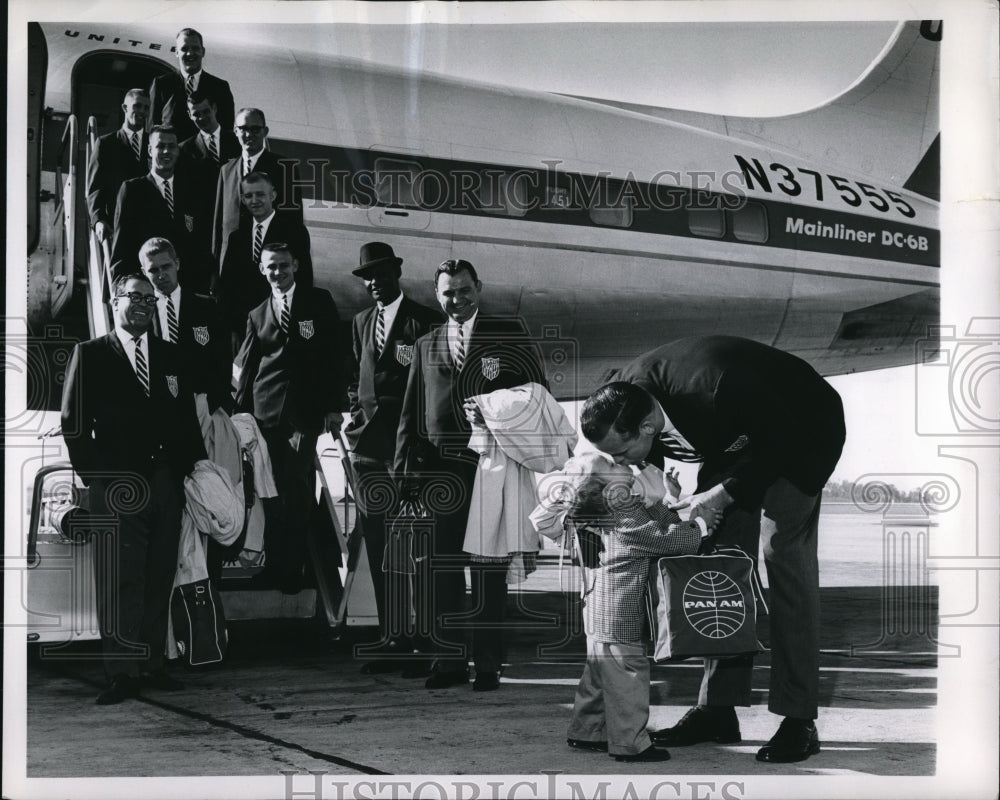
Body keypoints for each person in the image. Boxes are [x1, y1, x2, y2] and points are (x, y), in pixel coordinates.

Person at [579, 335, 846, 764]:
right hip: (733, 438)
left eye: (625, 453)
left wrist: (723, 493)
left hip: (801, 428)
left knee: (784, 558)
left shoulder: (717, 387)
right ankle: (717, 710)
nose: (623, 464)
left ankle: (799, 719)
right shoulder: (623, 397)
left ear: (647, 428)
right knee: (719, 567)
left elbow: (778, 441)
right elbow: (621, 468)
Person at [394, 259, 547, 691]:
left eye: (464, 291)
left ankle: (488, 664)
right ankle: (448, 661)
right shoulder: (426, 344)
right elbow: (411, 414)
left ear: (478, 287)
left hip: (490, 470)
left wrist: (497, 409)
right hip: (440, 474)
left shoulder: (508, 333)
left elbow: (537, 395)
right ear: (436, 293)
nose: (456, 300)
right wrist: (405, 472)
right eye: (447, 293)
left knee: (487, 572)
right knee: (441, 571)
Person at [60, 273, 206, 704]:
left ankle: (151, 664)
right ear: (114, 300)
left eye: (149, 298)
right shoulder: (90, 354)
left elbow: (184, 421)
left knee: (158, 575)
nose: (143, 303)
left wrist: (183, 474)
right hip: (116, 488)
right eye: (134, 297)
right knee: (120, 581)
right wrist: (99, 481)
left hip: (164, 484)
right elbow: (72, 425)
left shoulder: (169, 356)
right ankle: (122, 673)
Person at [535, 452, 709, 763]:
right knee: (628, 673)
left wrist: (668, 496)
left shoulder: (593, 511)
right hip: (620, 609)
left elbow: (653, 522)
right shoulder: (622, 510)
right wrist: (702, 525)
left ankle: (587, 731)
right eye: (612, 467)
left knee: (600, 672)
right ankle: (630, 742)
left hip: (598, 605)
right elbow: (662, 537)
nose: (621, 464)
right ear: (605, 487)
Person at [344, 242, 444, 674]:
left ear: (397, 274)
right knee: (381, 548)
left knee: (417, 552)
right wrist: (354, 414)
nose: (373, 284)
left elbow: (434, 390)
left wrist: (418, 452)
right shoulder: (362, 322)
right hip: (369, 454)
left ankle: (425, 640)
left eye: (381, 275)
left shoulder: (426, 322)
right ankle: (393, 636)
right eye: (367, 277)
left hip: (409, 457)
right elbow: (356, 378)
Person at [233, 243, 344, 593]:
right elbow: (247, 366)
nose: (277, 273)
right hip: (266, 416)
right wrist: (236, 413)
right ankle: (275, 565)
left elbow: (334, 357)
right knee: (269, 493)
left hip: (304, 415)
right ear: (262, 270)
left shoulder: (318, 302)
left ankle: (295, 569)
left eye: (283, 265)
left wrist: (333, 406)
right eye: (270, 267)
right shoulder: (257, 314)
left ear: (295, 265)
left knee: (295, 491)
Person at [111, 125, 212, 292]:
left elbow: (201, 242)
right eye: (160, 146)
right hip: (148, 290)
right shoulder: (132, 190)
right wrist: (120, 288)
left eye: (172, 146)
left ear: (178, 151)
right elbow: (122, 246)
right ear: (150, 150)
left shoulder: (193, 190)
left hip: (188, 289)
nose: (166, 151)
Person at [138, 237, 231, 412]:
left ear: (177, 264)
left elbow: (222, 359)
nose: (161, 275)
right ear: (144, 272)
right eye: (153, 270)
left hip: (204, 407)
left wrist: (214, 403)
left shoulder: (207, 307)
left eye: (166, 266)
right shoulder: (142, 313)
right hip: (162, 408)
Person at [218, 171, 312, 343]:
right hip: (244, 328)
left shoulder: (294, 231)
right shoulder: (237, 237)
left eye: (260, 194)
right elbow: (227, 287)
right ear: (243, 199)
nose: (254, 200)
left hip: (280, 324)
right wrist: (231, 329)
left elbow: (304, 279)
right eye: (249, 195)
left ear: (273, 195)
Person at [213, 108, 302, 264]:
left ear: (265, 131)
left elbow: (294, 223)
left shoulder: (285, 168)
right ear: (235, 131)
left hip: (270, 261)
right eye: (243, 129)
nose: (249, 134)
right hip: (232, 262)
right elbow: (219, 224)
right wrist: (215, 267)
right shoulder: (226, 170)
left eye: (255, 129)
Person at [86, 88, 150, 246]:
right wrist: (98, 220)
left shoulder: (155, 143)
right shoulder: (106, 144)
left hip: (150, 225)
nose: (142, 111)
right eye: (137, 106)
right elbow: (95, 187)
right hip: (118, 226)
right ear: (125, 108)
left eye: (146, 108)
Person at [149, 28, 235, 144]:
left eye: (195, 48)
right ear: (177, 52)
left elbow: (226, 131)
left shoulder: (220, 87)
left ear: (203, 51)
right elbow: (151, 130)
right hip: (173, 158)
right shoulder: (162, 84)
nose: (190, 53)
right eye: (184, 49)